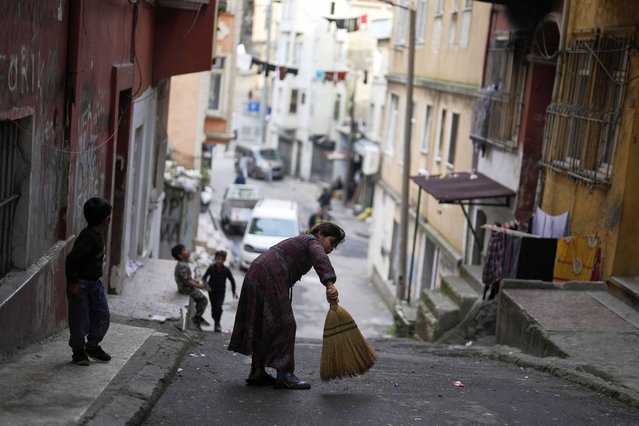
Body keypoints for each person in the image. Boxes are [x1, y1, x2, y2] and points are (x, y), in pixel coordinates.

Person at [228, 222, 345, 390]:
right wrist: (330, 284)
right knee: (286, 325)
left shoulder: (304, 240)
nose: (332, 247)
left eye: (335, 246)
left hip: (257, 271)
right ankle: (284, 375)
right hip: (269, 275)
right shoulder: (312, 241)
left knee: (262, 323)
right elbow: (320, 258)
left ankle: (257, 372)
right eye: (331, 242)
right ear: (320, 234)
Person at [65, 197, 113, 366]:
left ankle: (92, 346)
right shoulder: (88, 238)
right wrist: (73, 282)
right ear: (106, 220)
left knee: (102, 316)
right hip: (81, 285)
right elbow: (72, 260)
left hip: (94, 285)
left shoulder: (97, 235)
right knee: (79, 320)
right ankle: (78, 351)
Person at [171, 244, 211, 330]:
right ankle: (196, 319)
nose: (188, 250)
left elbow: (188, 278)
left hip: (187, 286)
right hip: (185, 289)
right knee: (203, 300)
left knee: (201, 297)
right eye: (184, 250)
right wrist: (199, 286)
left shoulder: (184, 263)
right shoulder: (182, 265)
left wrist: (196, 282)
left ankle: (197, 315)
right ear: (180, 255)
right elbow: (186, 281)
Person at [202, 250, 238, 332]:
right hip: (211, 292)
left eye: (222, 259)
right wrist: (206, 286)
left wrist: (233, 291)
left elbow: (232, 280)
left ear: (224, 260)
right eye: (218, 259)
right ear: (215, 259)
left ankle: (217, 323)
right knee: (214, 308)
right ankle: (216, 321)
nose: (220, 261)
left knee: (218, 307)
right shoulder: (211, 268)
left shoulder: (226, 270)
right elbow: (204, 278)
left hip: (221, 292)